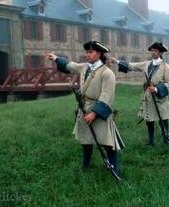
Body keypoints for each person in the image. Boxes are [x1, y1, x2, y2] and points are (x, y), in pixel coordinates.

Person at [46, 41, 124, 175]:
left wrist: (94, 114)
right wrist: (56, 58)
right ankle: (86, 165)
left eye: (90, 52)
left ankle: (113, 168)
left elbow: (107, 96)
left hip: (98, 111)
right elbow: (70, 65)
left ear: (99, 54)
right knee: (86, 140)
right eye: (87, 52)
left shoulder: (107, 73)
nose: (87, 55)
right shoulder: (84, 67)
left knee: (107, 143)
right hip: (83, 108)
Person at [111, 42, 169, 146]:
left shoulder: (165, 67)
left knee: (163, 118)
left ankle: (166, 138)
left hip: (159, 96)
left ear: (160, 53)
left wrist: (157, 89)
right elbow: (132, 66)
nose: (153, 53)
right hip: (148, 96)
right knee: (149, 118)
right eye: (152, 51)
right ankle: (151, 140)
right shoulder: (146, 64)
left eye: (156, 51)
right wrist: (117, 62)